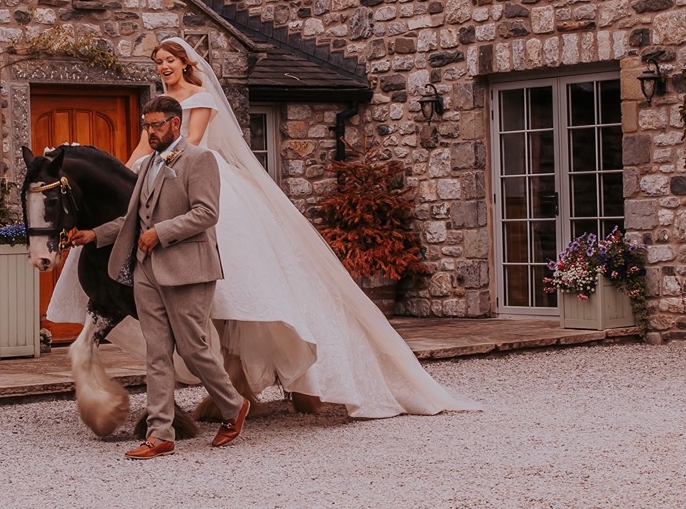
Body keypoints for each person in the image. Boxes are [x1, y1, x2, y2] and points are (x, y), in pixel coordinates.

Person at [60, 37, 476, 419]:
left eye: (169, 61)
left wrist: (164, 172)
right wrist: (130, 174)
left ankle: (299, 379)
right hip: (158, 172)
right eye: (158, 62)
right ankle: (222, 388)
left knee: (245, 284)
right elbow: (141, 148)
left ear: (185, 63)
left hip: (192, 172)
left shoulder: (200, 97)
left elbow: (197, 141)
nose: (163, 67)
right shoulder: (157, 105)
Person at [68, 95, 252, 459]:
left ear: (174, 124)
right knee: (156, 353)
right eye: (146, 125)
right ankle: (160, 434)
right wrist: (95, 235)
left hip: (188, 269)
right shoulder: (145, 164)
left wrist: (161, 232)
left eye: (156, 125)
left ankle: (234, 406)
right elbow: (132, 219)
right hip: (145, 269)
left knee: (192, 348)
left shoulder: (201, 160)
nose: (150, 132)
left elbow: (206, 213)